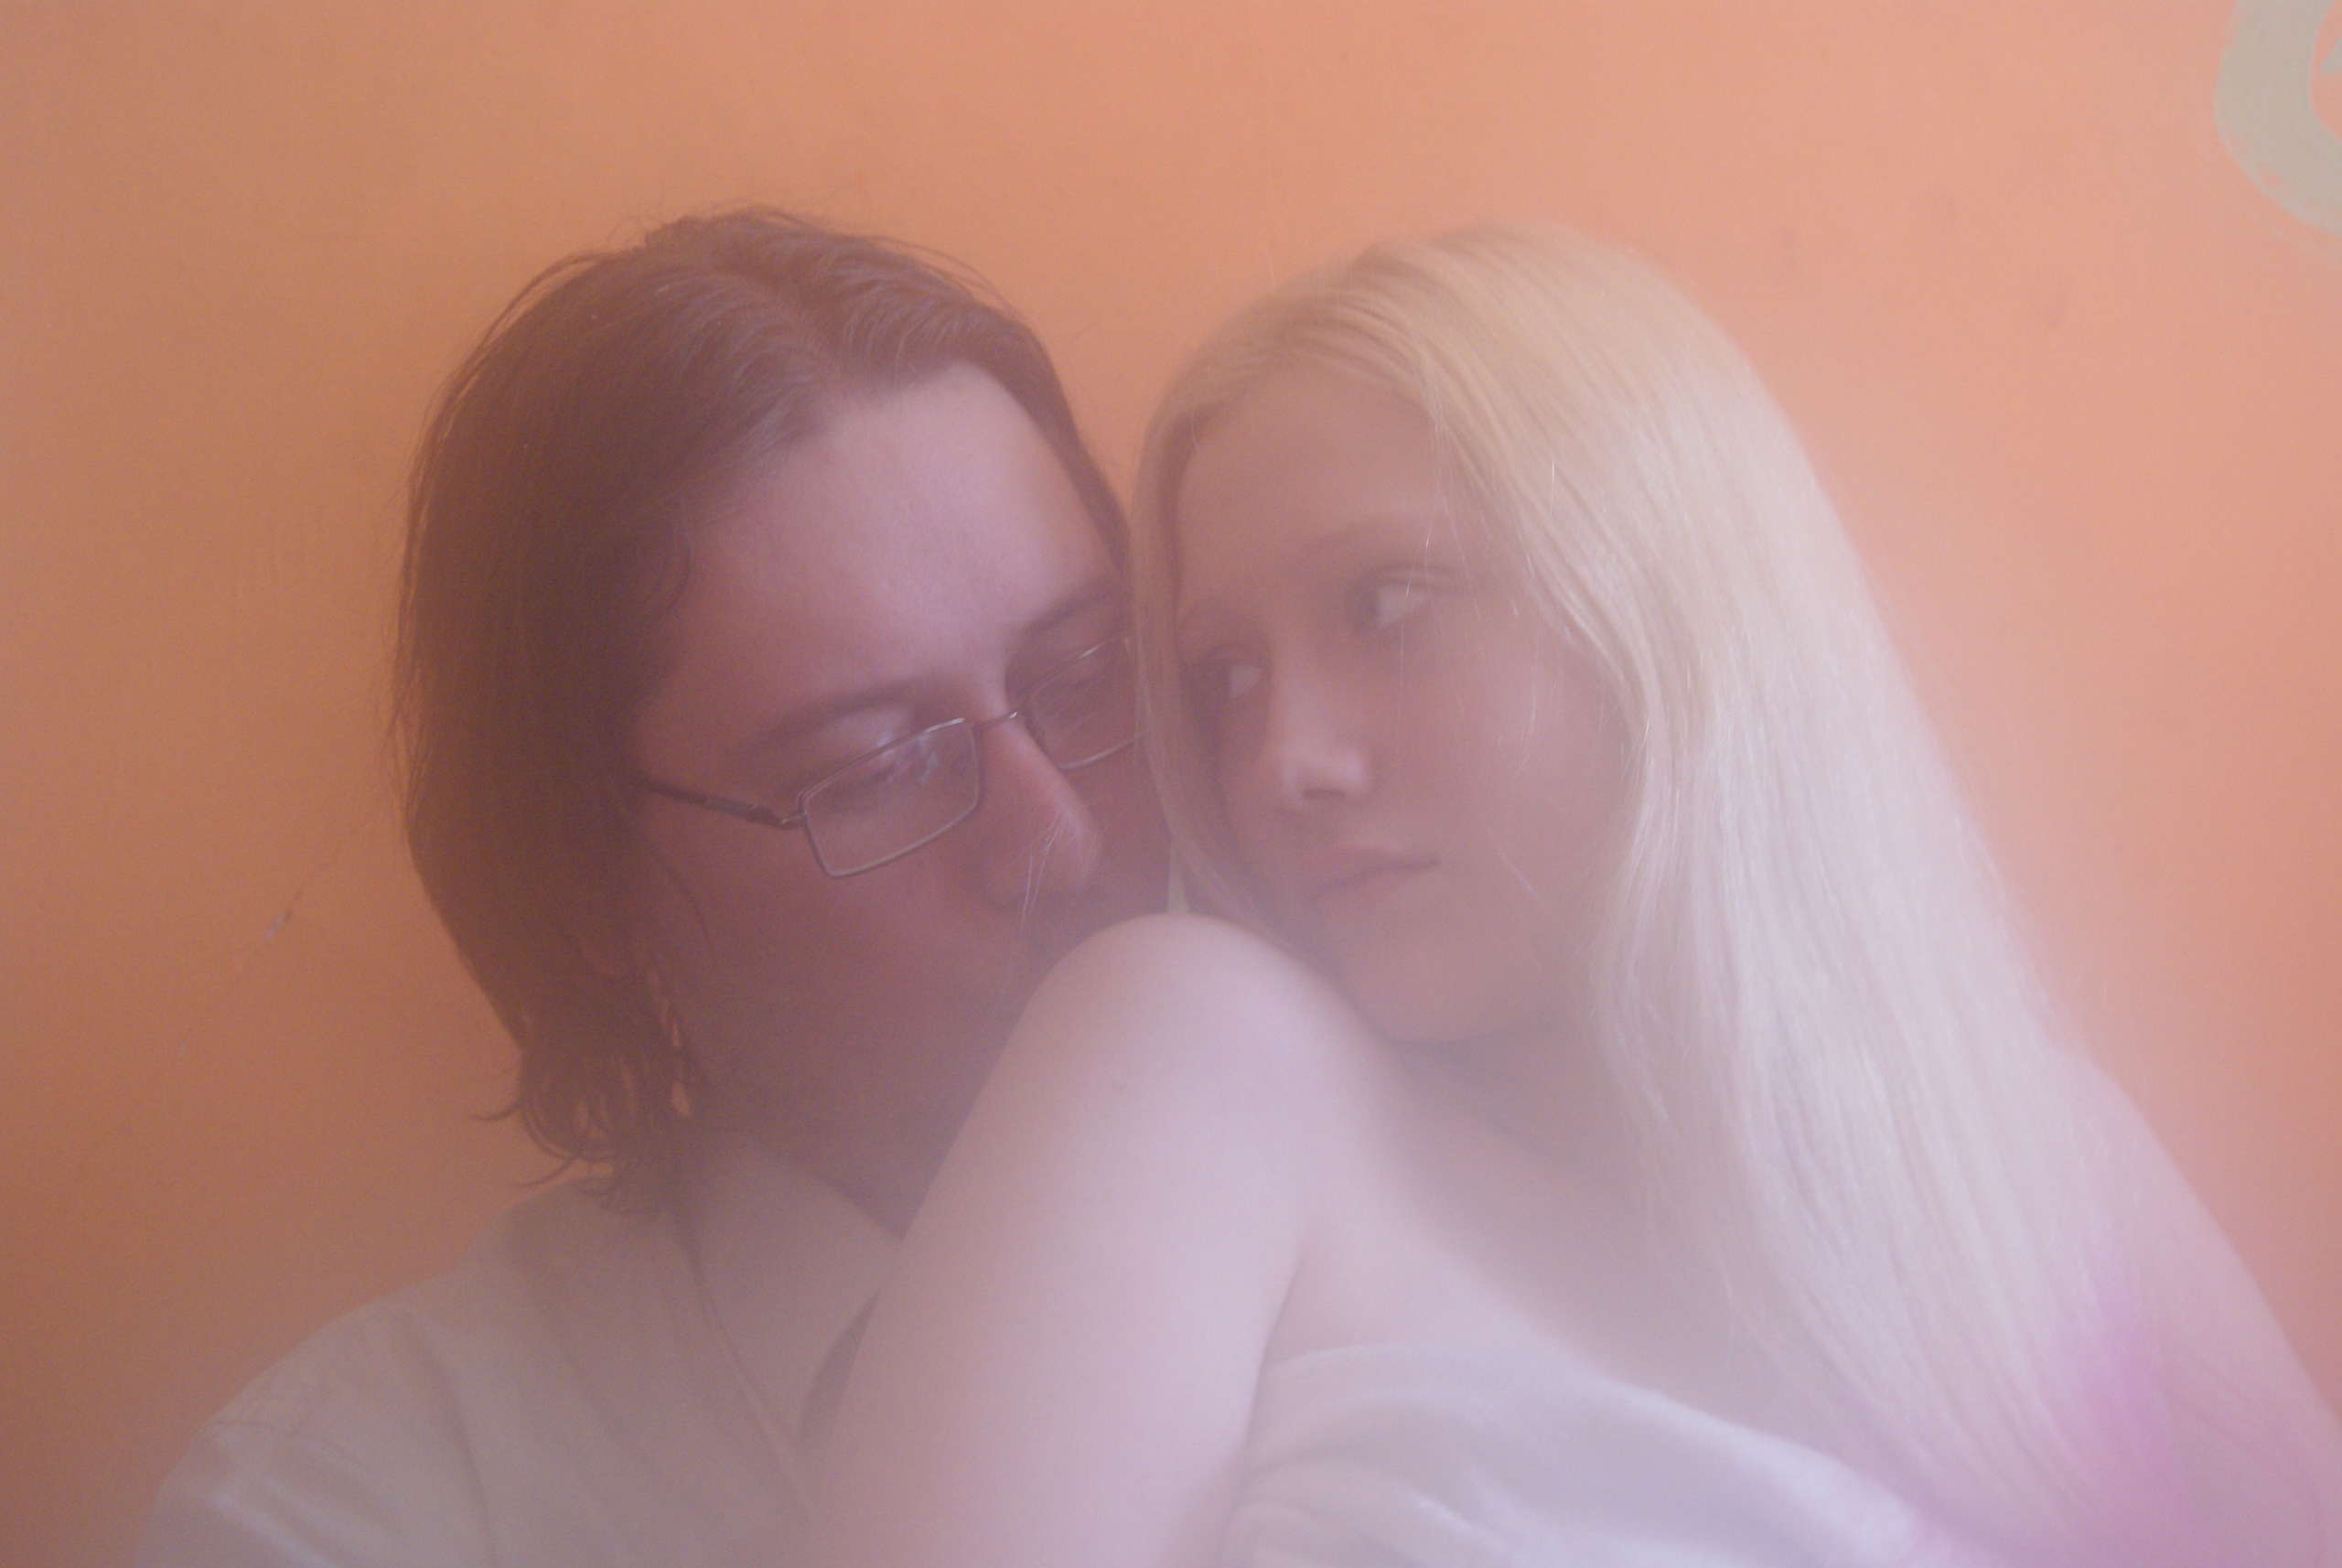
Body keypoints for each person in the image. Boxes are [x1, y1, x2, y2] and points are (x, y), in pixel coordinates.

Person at [804, 228, 2342, 1568]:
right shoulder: (1203, 1062)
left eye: (1387, 604)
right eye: (1225, 674)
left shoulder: (2037, 1155)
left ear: (1665, 607)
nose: (1282, 760)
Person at [135, 208, 1168, 1566]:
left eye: (1087, 675)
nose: (1064, 840)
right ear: (590, 889)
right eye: (877, 767)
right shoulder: (367, 1509)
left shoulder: (1425, 1152)